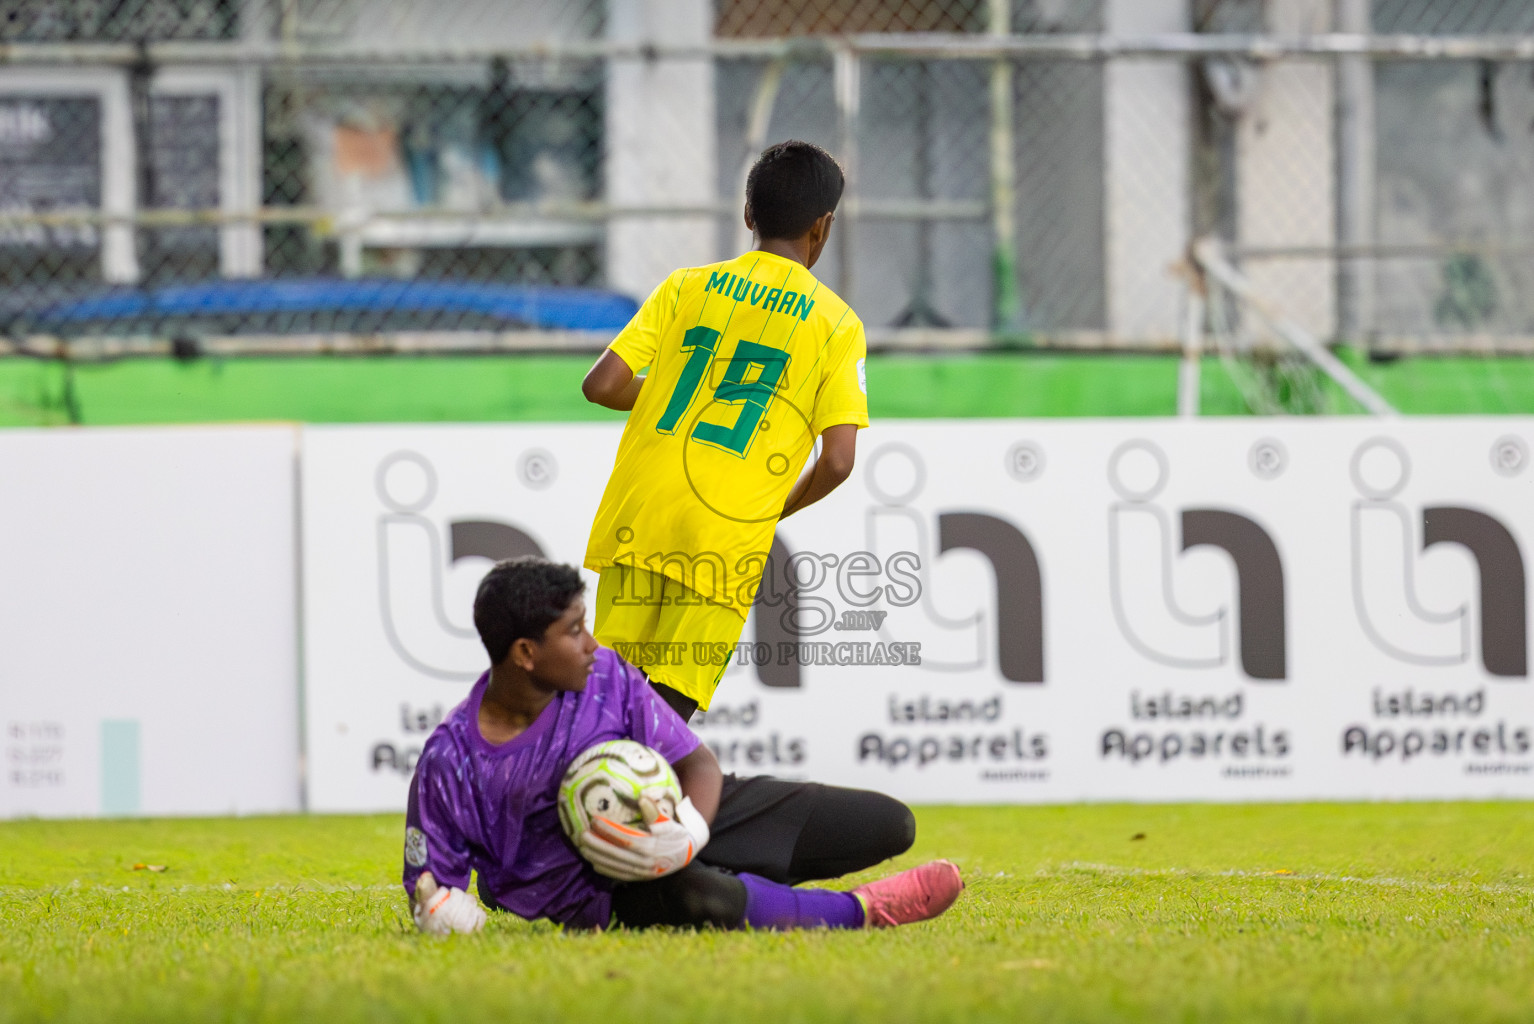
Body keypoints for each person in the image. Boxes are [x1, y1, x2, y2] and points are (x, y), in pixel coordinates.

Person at [405, 557, 962, 935]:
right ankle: (860, 911)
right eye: (574, 630)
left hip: (675, 814)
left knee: (888, 824)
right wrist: (444, 909)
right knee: (703, 901)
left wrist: (686, 832)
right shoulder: (452, 760)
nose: (591, 643)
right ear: (525, 653)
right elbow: (434, 886)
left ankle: (741, 882)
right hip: (596, 888)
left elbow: (695, 762)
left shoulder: (602, 675)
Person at [581, 140, 868, 721]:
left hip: (641, 511)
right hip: (723, 532)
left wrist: (679, 402)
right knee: (663, 717)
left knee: (605, 704)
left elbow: (603, 384)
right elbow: (838, 460)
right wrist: (775, 511)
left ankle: (573, 804)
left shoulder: (685, 286)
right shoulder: (837, 324)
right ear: (823, 228)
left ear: (747, 215)